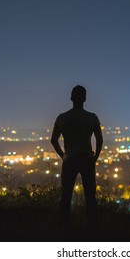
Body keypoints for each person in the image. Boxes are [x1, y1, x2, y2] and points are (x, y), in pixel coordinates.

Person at [51, 85, 103, 231]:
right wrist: (95, 157)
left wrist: (63, 156)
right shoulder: (92, 117)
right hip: (87, 158)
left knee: (66, 194)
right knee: (90, 194)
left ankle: (64, 226)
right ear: (85, 98)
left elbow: (53, 140)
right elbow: (99, 140)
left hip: (70, 159)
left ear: (71, 98)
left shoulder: (62, 118)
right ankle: (93, 226)